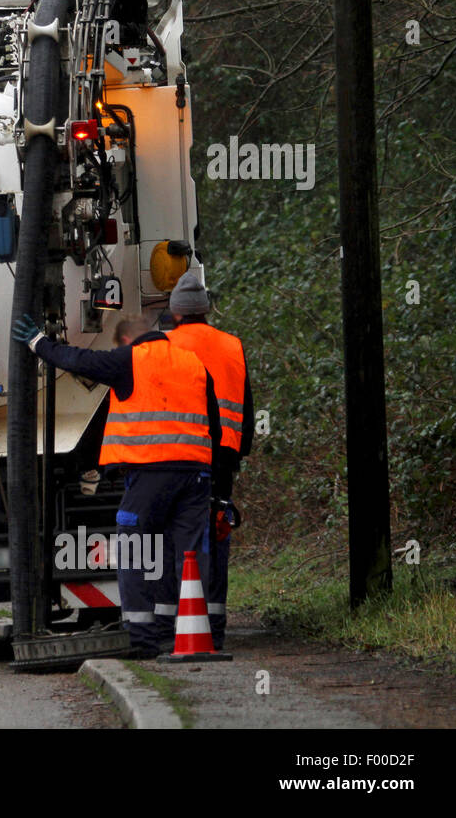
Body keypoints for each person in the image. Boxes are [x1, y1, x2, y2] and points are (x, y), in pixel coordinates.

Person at [14, 313, 221, 658]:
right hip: (196, 473)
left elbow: (79, 360)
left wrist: (39, 343)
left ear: (125, 341)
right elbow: (212, 421)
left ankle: (141, 637)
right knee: (186, 553)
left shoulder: (130, 359)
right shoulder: (194, 363)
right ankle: (189, 635)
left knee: (135, 548)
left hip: (150, 473)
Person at [163, 271, 252, 651]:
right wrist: (237, 452)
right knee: (216, 536)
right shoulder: (232, 345)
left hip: (178, 455)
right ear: (206, 310)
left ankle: (175, 625)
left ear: (176, 313)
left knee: (176, 539)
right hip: (222, 458)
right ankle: (214, 627)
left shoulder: (164, 344)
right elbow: (246, 406)